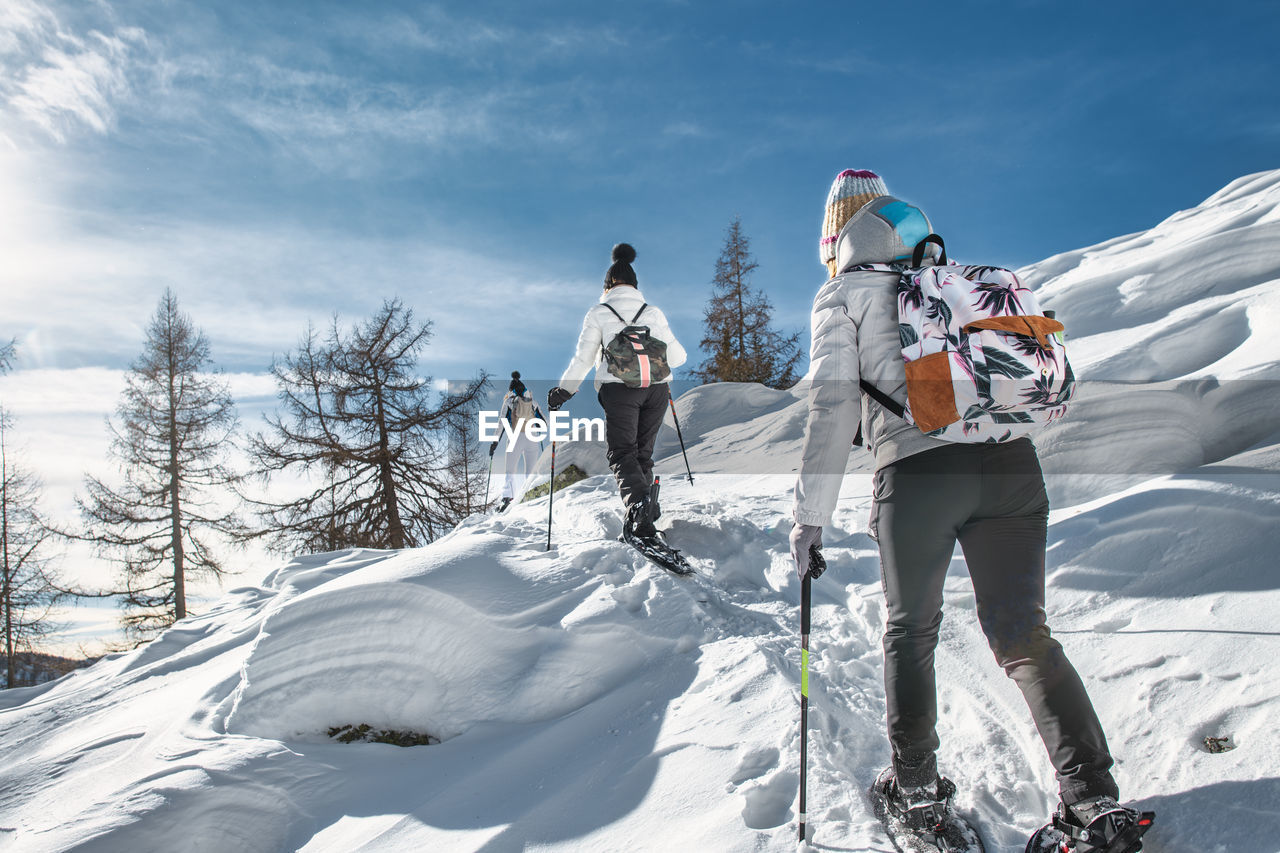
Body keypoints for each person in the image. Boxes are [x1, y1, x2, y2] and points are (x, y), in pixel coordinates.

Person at [790, 169, 1139, 848]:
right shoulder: (950, 280)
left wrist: (809, 519)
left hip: (918, 476)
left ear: (835, 235)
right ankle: (1092, 797)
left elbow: (832, 408)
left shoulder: (845, 292)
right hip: (1012, 469)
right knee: (1024, 634)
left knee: (910, 630)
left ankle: (916, 790)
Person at [547, 243, 687, 544]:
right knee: (642, 455)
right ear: (635, 285)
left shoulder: (599, 312)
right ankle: (644, 515)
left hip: (620, 390)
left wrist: (564, 390)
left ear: (608, 285)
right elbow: (678, 357)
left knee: (622, 453)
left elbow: (583, 359)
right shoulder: (653, 312)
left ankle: (639, 509)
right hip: (657, 390)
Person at [491, 371, 545, 512]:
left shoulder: (509, 401)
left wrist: (494, 443)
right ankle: (531, 496)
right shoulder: (532, 402)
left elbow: (501, 423)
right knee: (531, 471)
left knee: (510, 470)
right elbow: (544, 422)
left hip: (515, 437)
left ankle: (507, 499)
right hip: (532, 437)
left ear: (511, 389)